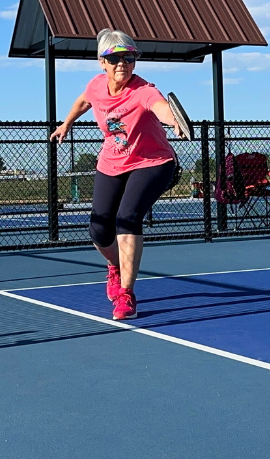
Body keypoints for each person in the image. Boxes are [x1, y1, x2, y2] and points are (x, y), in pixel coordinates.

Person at [50, 29, 183, 320]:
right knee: (99, 230)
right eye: (115, 59)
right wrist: (66, 124)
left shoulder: (144, 90)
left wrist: (173, 120)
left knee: (127, 218)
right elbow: (84, 101)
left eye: (129, 58)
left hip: (152, 162)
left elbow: (159, 106)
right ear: (102, 62)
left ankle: (126, 293)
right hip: (112, 163)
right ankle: (115, 266)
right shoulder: (97, 86)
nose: (122, 64)